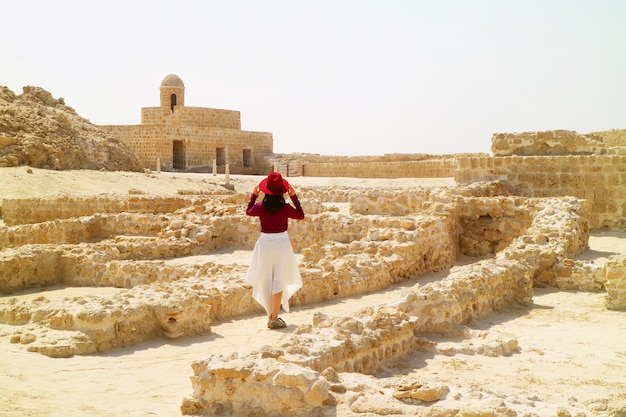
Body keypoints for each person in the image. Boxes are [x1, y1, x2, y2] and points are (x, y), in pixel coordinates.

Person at [245, 172, 305, 329]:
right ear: (282, 191)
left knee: (265, 278)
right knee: (279, 280)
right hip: (282, 244)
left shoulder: (260, 207)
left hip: (264, 244)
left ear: (266, 190)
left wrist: (253, 195)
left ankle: (270, 316)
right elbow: (300, 215)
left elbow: (248, 210)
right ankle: (274, 317)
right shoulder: (285, 208)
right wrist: (294, 196)